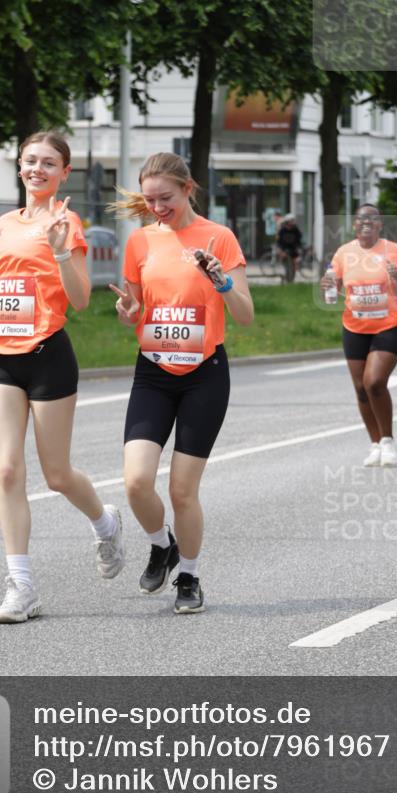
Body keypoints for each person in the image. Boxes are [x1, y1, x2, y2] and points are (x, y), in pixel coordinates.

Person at [0, 131, 125, 624]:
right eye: (30, 161)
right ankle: (22, 586)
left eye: (49, 163)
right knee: (7, 469)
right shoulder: (4, 224)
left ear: (64, 173)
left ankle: (105, 521)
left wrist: (61, 251)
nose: (37, 169)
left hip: (48, 353)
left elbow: (80, 299)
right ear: (21, 167)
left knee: (56, 475)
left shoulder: (66, 222)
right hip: (1, 352)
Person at [108, 153, 254, 614]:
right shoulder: (140, 242)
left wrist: (222, 284)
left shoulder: (219, 238)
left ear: (188, 188)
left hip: (204, 375)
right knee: (135, 482)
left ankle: (188, 576)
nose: (157, 207)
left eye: (165, 198)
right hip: (153, 371)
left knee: (182, 490)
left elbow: (246, 316)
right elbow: (133, 306)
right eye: (149, 200)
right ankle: (161, 544)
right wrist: (127, 312)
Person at [321, 203, 397, 467]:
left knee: (374, 382)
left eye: (372, 218)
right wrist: (326, 286)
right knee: (360, 389)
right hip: (355, 327)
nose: (366, 222)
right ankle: (375, 443)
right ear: (354, 224)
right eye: (361, 218)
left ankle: (388, 440)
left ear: (380, 224)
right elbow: (331, 293)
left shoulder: (394, 251)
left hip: (389, 325)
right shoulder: (344, 253)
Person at [276, 213, 303, 281]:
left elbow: (299, 239)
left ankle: (291, 280)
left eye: (293, 220)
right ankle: (288, 280)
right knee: (288, 267)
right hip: (284, 251)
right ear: (288, 221)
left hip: (293, 251)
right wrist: (281, 250)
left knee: (293, 267)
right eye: (292, 220)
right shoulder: (283, 230)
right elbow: (279, 241)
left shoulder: (295, 229)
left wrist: (298, 248)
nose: (293, 222)